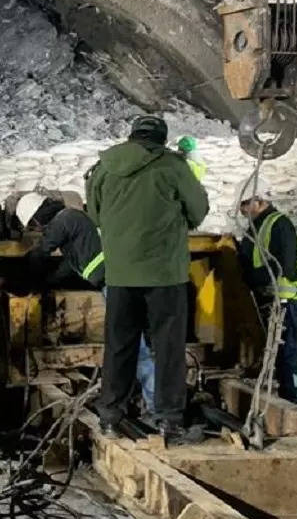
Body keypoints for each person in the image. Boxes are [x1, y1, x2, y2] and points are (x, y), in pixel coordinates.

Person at [86, 115, 209, 444]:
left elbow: (94, 214)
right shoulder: (173, 166)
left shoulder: (105, 166)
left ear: (132, 135)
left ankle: (111, 414)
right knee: (167, 346)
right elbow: (198, 212)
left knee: (120, 345)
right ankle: (168, 417)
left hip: (121, 274)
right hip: (164, 275)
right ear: (161, 139)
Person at [14, 192, 157, 413]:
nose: (38, 230)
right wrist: (45, 282)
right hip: (114, 285)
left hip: (119, 285)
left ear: (36, 218)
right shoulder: (74, 235)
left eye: (34, 226)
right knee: (129, 345)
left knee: (135, 347)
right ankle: (146, 402)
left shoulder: (66, 218)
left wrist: (14, 275)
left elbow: (43, 250)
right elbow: (67, 268)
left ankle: (157, 406)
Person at [237, 193, 297, 403]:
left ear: (260, 202)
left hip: (286, 296)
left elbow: (283, 264)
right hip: (269, 294)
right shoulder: (257, 225)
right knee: (272, 349)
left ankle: (292, 398)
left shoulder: (279, 223)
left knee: (287, 350)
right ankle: (278, 392)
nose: (242, 211)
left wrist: (253, 279)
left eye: (245, 205)